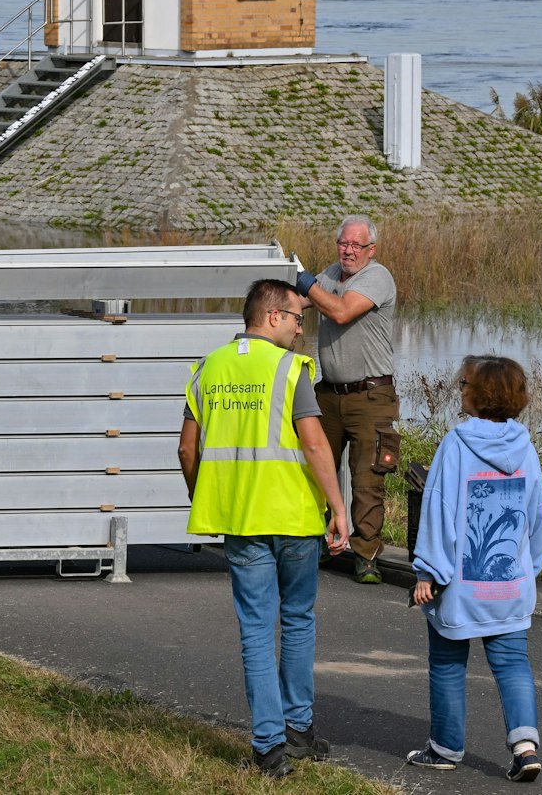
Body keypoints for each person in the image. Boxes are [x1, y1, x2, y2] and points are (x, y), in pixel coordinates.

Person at [179, 279, 351, 780]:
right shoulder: (289, 369)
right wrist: (338, 508)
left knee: (257, 629)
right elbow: (316, 446)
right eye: (298, 318)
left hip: (241, 521)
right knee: (297, 620)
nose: (302, 329)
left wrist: (205, 495)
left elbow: (188, 450)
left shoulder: (207, 368)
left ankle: (269, 748)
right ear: (272, 316)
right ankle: (299, 729)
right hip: (295, 518)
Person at [406, 355, 542, 783]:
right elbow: (535, 515)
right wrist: (529, 568)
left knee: (448, 662)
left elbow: (438, 511)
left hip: (460, 586)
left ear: (478, 393)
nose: (460, 388)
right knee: (512, 664)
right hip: (510, 582)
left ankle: (445, 748)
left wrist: (427, 572)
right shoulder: (525, 446)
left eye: (464, 383)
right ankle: (525, 749)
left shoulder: (456, 444)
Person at [296, 214, 398, 583]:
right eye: (344, 244)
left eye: (357, 245)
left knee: (367, 477)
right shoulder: (330, 274)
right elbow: (300, 301)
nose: (349, 251)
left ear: (371, 249)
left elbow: (339, 312)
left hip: (370, 394)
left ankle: (366, 555)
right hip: (330, 392)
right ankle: (316, 543)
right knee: (314, 468)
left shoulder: (377, 277)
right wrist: (281, 290)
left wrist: (307, 284)